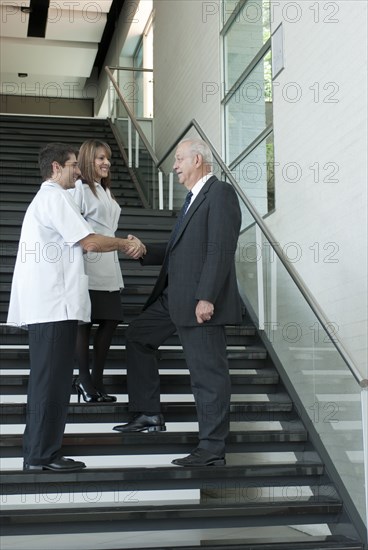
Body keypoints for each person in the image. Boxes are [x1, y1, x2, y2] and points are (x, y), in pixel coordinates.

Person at [7, 142, 145, 472]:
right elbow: (90, 241)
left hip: (49, 306)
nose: (78, 171)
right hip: (54, 306)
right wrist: (126, 244)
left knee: (47, 381)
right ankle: (43, 455)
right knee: (51, 383)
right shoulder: (54, 197)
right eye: (72, 166)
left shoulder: (49, 199)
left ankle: (38, 453)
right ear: (56, 168)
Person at [113, 138, 243, 467]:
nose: (174, 166)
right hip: (174, 297)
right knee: (137, 335)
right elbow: (180, 249)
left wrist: (207, 297)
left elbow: (220, 249)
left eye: (180, 159)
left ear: (198, 159)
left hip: (199, 301)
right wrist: (146, 250)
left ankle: (212, 448)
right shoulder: (192, 200)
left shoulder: (220, 195)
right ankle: (147, 414)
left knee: (207, 376)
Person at [68, 140, 125, 403]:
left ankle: (96, 380)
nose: (106, 163)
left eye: (108, 158)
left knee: (111, 319)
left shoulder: (105, 190)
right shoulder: (79, 188)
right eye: (100, 158)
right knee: (84, 324)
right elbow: (73, 226)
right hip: (90, 263)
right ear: (88, 160)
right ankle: (85, 380)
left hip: (110, 263)